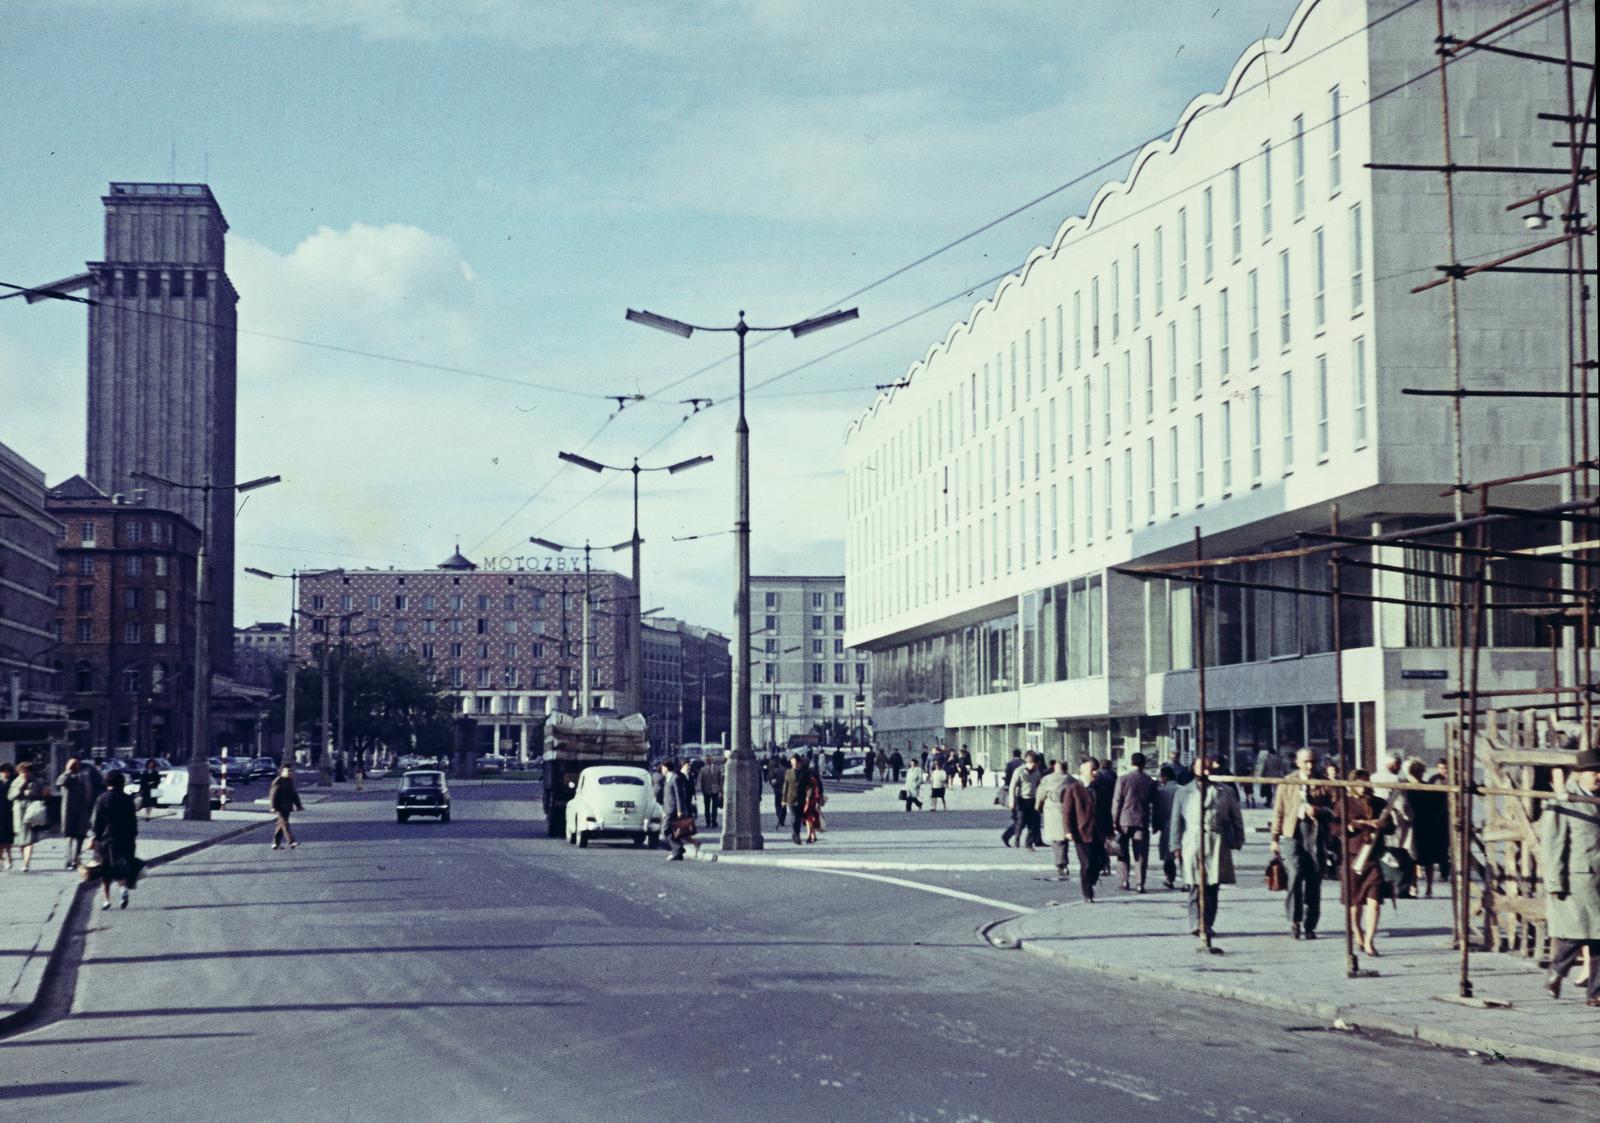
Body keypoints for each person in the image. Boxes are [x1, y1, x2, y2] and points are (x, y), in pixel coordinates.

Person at [1541, 744, 1599, 1006]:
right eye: (1593, 773)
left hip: (1599, 880)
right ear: (1579, 774)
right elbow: (1552, 844)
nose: (1599, 777)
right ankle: (1557, 971)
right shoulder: (1564, 801)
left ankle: (1595, 993)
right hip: (1578, 880)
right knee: (1574, 934)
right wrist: (1554, 881)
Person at [1170, 757, 1245, 942]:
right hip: (1192, 841)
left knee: (1213, 885)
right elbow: (1176, 822)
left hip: (1216, 841)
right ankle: (1196, 923)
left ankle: (1208, 923)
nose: (1205, 771)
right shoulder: (1183, 792)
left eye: (1208, 768)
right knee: (1195, 885)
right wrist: (1176, 846)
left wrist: (1237, 839)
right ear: (1193, 769)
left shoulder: (1225, 791)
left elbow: (1236, 817)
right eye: (1201, 768)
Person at [1271, 748, 1330, 940]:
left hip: (1315, 835)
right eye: (1306, 762)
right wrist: (1274, 838)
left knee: (1314, 880)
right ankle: (1294, 921)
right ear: (1298, 762)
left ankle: (1310, 924)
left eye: (1313, 761)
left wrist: (1318, 810)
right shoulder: (1288, 782)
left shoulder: (1324, 783)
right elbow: (1278, 811)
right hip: (1292, 835)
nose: (1310, 766)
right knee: (1295, 875)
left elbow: (1335, 810)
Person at [1338, 769, 1389, 957]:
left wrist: (1383, 825)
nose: (1363, 787)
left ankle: (1369, 940)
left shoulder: (1379, 803)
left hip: (1374, 858)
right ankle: (1357, 931)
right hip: (1353, 857)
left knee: (1374, 902)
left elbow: (1391, 827)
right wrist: (1358, 824)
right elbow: (1336, 828)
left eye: (1366, 782)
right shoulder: (1344, 804)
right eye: (1359, 783)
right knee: (1354, 903)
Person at [88, 770, 141, 910]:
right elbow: (133, 820)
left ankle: (106, 900)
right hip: (125, 837)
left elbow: (97, 822)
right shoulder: (127, 799)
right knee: (120, 867)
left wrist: (95, 837)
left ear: (107, 782)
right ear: (122, 783)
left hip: (107, 838)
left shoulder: (102, 798)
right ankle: (123, 888)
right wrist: (133, 835)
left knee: (105, 869)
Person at [1111, 752, 1157, 892]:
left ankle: (1124, 881)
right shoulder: (1149, 781)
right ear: (1144, 764)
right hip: (1141, 821)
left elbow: (1117, 801)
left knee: (1122, 852)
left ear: (1131, 763)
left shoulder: (1123, 779)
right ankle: (1139, 883)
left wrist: (1114, 820)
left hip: (1124, 821)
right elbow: (1155, 803)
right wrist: (1155, 822)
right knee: (1141, 854)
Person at [1411, 758, 1451, 897]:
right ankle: (1425, 888)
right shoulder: (1430, 785)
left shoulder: (1422, 787)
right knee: (1424, 859)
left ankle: (1418, 887)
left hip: (1419, 825)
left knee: (1417, 858)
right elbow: (1441, 805)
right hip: (1426, 825)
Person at [1066, 759, 1105, 902]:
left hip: (1098, 831)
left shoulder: (1099, 788)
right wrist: (1068, 830)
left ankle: (1091, 880)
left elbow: (1104, 811)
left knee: (1101, 861)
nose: (1095, 773)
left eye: (1096, 769)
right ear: (1083, 771)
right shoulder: (1073, 788)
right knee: (1086, 863)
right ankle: (1088, 894)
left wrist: (1110, 829)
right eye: (1092, 770)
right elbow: (1067, 812)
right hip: (1080, 832)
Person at [8, 761, 51, 873]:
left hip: (32, 811)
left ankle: (26, 863)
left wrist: (32, 794)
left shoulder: (38, 782)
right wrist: (20, 788)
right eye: (22, 772)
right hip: (19, 812)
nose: (25, 774)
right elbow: (10, 796)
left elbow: (45, 795)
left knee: (29, 838)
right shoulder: (16, 782)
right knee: (22, 839)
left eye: (27, 771)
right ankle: (24, 860)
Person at [1035, 760, 1073, 880]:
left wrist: (1038, 807)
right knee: (1065, 837)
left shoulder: (1047, 779)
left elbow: (1040, 794)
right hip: (1068, 810)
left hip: (1052, 811)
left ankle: (1061, 864)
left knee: (1057, 840)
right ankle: (1063, 863)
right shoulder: (1071, 779)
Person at [56, 758, 94, 870]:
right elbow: (60, 782)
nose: (75, 766)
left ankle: (76, 858)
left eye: (77, 764)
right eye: (73, 764)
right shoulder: (66, 776)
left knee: (80, 836)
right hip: (69, 811)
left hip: (82, 811)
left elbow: (89, 792)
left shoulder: (84, 776)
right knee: (69, 836)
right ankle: (68, 860)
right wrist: (67, 771)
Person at [1008, 752, 1045, 850]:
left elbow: (1039, 785)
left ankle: (1029, 844)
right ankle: (1017, 838)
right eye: (1035, 763)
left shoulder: (1037, 772)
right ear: (1031, 762)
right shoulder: (1019, 771)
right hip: (1022, 799)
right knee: (1020, 822)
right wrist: (1012, 801)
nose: (1037, 766)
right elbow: (1012, 786)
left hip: (1033, 799)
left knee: (1033, 823)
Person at [1152, 764, 1181, 889]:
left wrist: (1156, 825)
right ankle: (1188, 880)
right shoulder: (1182, 789)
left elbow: (1157, 810)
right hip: (1182, 826)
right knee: (1183, 855)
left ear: (1164, 777)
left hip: (1167, 825)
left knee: (1168, 856)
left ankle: (1169, 879)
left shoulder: (1161, 791)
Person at [662, 760, 696, 861]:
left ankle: (678, 847)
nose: (662, 770)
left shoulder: (675, 778)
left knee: (665, 829)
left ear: (667, 768)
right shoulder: (668, 779)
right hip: (668, 808)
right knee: (673, 831)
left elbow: (678, 795)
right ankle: (678, 853)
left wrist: (680, 810)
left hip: (673, 809)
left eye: (663, 767)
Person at [268, 765, 303, 850]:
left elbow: (294, 795)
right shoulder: (278, 781)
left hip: (287, 807)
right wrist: (273, 807)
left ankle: (276, 843)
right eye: (287, 771)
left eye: (291, 771)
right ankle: (291, 841)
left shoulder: (289, 781)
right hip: (279, 807)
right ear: (282, 772)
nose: (289, 772)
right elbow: (273, 795)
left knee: (281, 825)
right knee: (285, 824)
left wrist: (299, 806)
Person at [781, 755, 808, 845]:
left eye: (795, 763)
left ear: (799, 763)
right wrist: (783, 799)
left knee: (799, 818)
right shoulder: (788, 772)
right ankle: (795, 835)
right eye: (792, 763)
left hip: (801, 798)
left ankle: (797, 834)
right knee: (794, 818)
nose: (794, 765)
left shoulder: (805, 772)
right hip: (791, 798)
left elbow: (809, 785)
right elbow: (785, 786)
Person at [802, 766, 826, 843]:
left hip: (809, 802)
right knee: (812, 819)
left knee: (808, 819)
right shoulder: (818, 781)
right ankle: (813, 835)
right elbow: (820, 792)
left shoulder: (810, 781)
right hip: (815, 802)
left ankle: (809, 835)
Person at [698, 757, 723, 829]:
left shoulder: (717, 769)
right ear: (705, 761)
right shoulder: (702, 769)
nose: (708, 761)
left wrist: (721, 791)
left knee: (714, 807)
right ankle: (708, 822)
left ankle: (714, 822)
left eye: (709, 759)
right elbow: (700, 779)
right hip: (706, 790)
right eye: (707, 760)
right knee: (707, 807)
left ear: (712, 760)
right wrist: (699, 787)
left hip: (715, 790)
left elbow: (720, 780)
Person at [0, 761, 15, 871]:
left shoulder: (13, 783)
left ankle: (9, 858)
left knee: (8, 838)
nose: (5, 773)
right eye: (3, 771)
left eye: (7, 772)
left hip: (9, 812)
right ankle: (1, 859)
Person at [768, 757, 788, 827]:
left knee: (777, 805)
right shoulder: (787, 771)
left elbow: (771, 780)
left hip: (777, 790)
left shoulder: (775, 771)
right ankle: (782, 819)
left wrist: (773, 786)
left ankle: (779, 816)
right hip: (785, 791)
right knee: (784, 806)